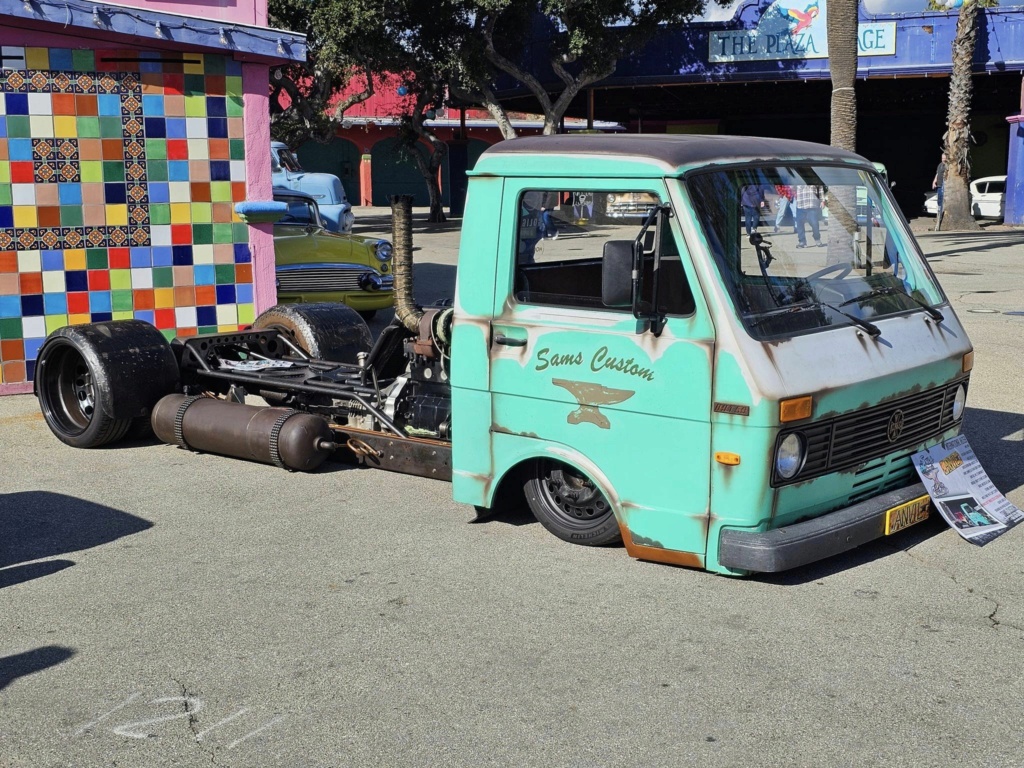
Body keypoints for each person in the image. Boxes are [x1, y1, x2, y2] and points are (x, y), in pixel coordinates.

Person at [794, 184, 825, 248]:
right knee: (799, 224)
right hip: (800, 205)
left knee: (814, 223)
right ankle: (802, 242)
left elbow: (820, 189)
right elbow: (792, 187)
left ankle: (817, 239)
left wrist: (822, 201)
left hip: (812, 205)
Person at [932, 152, 947, 231]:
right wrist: (934, 181)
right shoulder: (940, 165)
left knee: (942, 201)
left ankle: (940, 217)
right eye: (942, 158)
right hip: (939, 185)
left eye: (944, 158)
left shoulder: (947, 166)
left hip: (944, 186)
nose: (943, 159)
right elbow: (937, 174)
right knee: (939, 200)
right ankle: (938, 215)